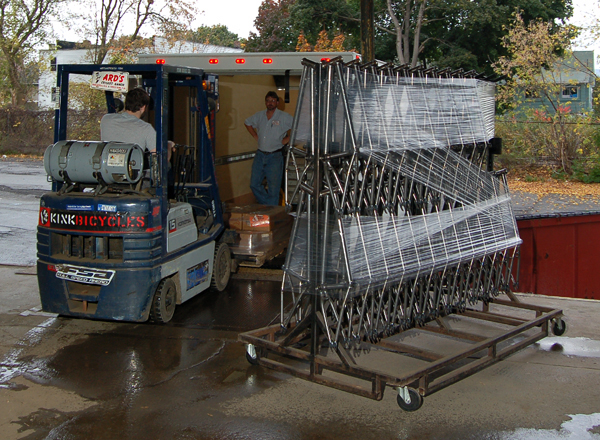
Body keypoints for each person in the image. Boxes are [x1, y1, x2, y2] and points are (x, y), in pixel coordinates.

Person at [245, 91, 293, 206]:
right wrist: (255, 135)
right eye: (268, 100)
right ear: (265, 102)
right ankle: (269, 206)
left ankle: (271, 213)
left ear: (277, 102)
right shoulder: (259, 115)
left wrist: (286, 140)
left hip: (275, 156)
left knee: (273, 188)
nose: (270, 103)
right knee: (254, 184)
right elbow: (247, 122)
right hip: (260, 155)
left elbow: (299, 128)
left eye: (272, 101)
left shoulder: (284, 117)